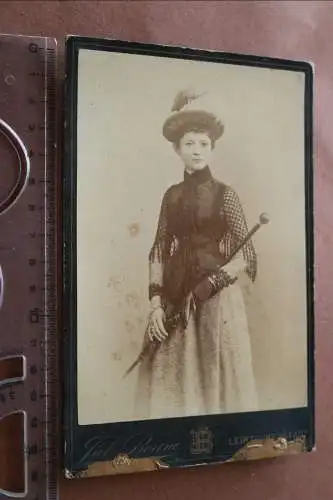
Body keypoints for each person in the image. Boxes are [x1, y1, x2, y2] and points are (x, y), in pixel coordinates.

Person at [135, 90, 258, 420]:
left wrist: (215, 281)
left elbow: (246, 253)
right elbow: (159, 248)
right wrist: (156, 305)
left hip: (217, 297)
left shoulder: (225, 194)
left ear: (212, 148)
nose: (197, 151)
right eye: (189, 143)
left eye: (203, 144)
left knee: (216, 377)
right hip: (177, 294)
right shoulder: (171, 196)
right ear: (177, 149)